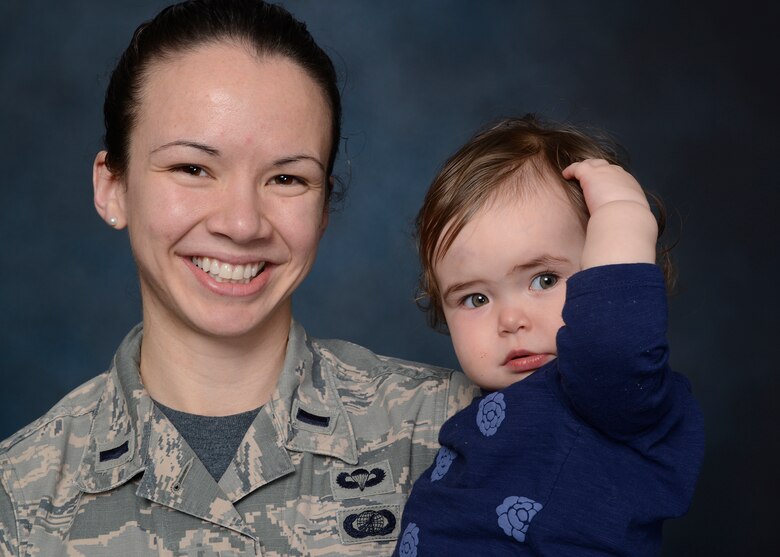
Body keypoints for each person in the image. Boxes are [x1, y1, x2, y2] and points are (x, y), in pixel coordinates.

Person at [0, 1, 478, 555]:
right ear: (113, 187)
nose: (242, 223)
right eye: (193, 168)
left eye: (286, 177)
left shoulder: (455, 431)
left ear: (323, 209)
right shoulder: (19, 498)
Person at [394, 115, 705, 556]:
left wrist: (622, 218)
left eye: (543, 280)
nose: (510, 320)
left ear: (608, 279)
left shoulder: (611, 392)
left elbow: (610, 345)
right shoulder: (486, 408)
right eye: (476, 299)